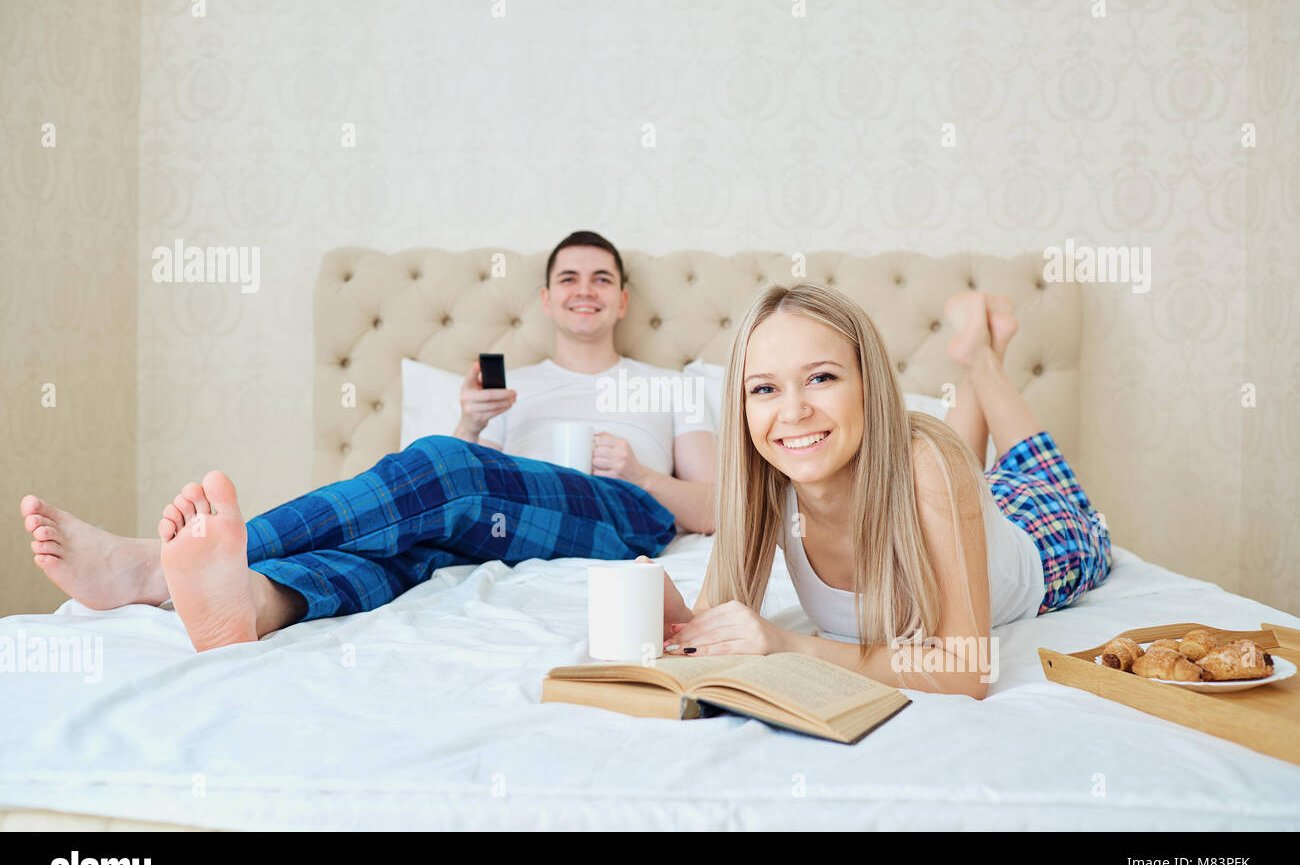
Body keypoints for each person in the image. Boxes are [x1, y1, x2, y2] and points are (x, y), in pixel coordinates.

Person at [18, 231, 715, 651]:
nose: (585, 289)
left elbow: (714, 506)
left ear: (623, 299)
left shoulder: (670, 385)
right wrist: (471, 425)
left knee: (447, 469)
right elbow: (445, 494)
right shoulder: (513, 385)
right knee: (408, 547)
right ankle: (258, 603)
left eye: (603, 279)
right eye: (569, 278)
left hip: (624, 515)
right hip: (507, 518)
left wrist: (644, 474)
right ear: (547, 300)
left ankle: (148, 570)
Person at [659, 283, 1113, 699]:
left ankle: (981, 359)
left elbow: (966, 674)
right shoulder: (762, 484)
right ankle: (978, 351)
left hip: (1043, 529)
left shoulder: (930, 463)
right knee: (957, 470)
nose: (793, 411)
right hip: (959, 498)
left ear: (867, 383)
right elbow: (710, 630)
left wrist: (787, 644)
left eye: (821, 378)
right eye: (764, 388)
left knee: (1024, 476)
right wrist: (670, 613)